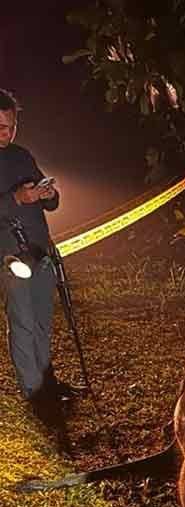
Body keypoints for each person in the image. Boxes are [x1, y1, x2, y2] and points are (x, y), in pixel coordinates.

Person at [0, 89, 76, 402]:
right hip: (9, 254)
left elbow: (50, 201)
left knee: (43, 319)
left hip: (40, 249)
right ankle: (33, 390)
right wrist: (15, 199)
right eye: (1, 127)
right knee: (23, 321)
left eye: (11, 126)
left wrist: (49, 195)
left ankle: (47, 381)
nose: (7, 133)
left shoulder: (22, 155)